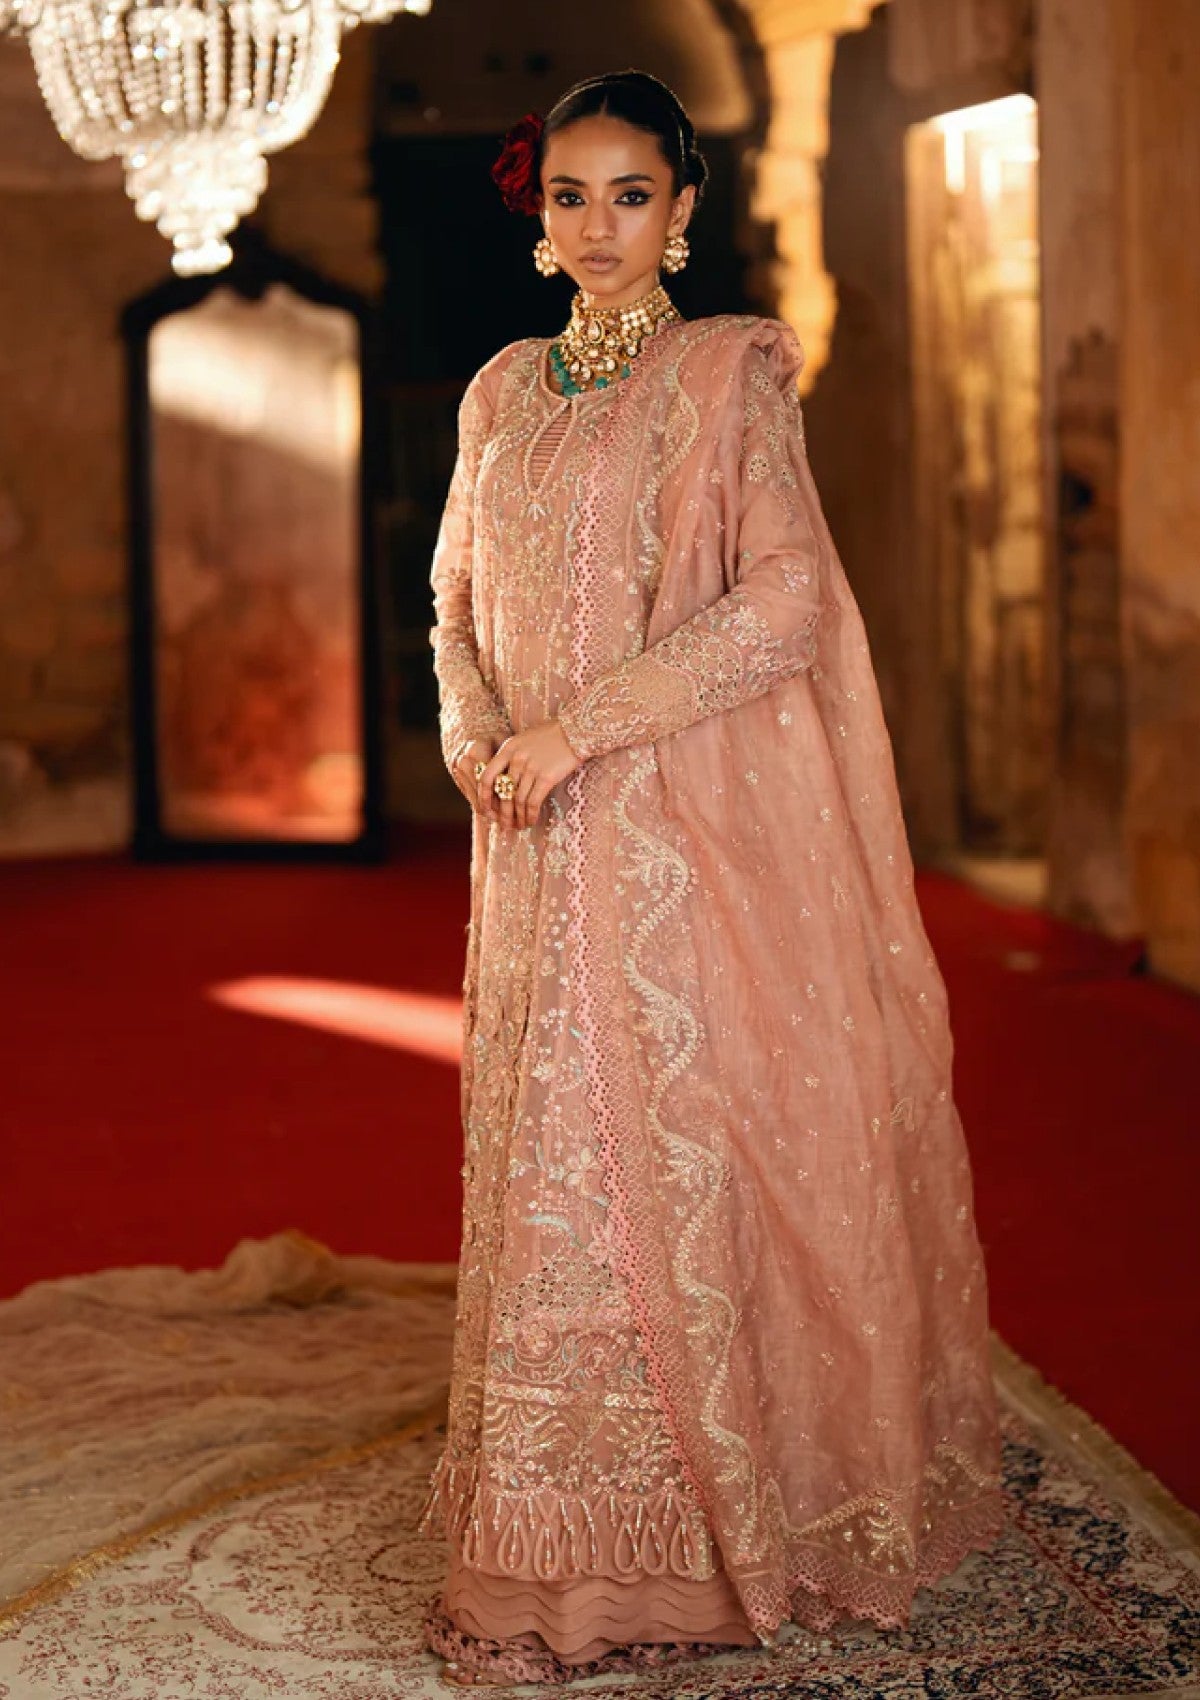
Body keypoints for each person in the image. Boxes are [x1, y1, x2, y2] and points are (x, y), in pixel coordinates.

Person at [416, 68, 1006, 1688]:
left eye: (631, 195)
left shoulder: (726, 375)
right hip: (529, 838)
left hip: (675, 834)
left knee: (659, 1155)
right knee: (546, 1151)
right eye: (570, 196)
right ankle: (547, 1534)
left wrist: (582, 731)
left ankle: (706, 1530)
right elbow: (451, 603)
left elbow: (784, 605)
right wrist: (478, 733)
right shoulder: (499, 393)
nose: (597, 226)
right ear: (539, 216)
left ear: (683, 210)